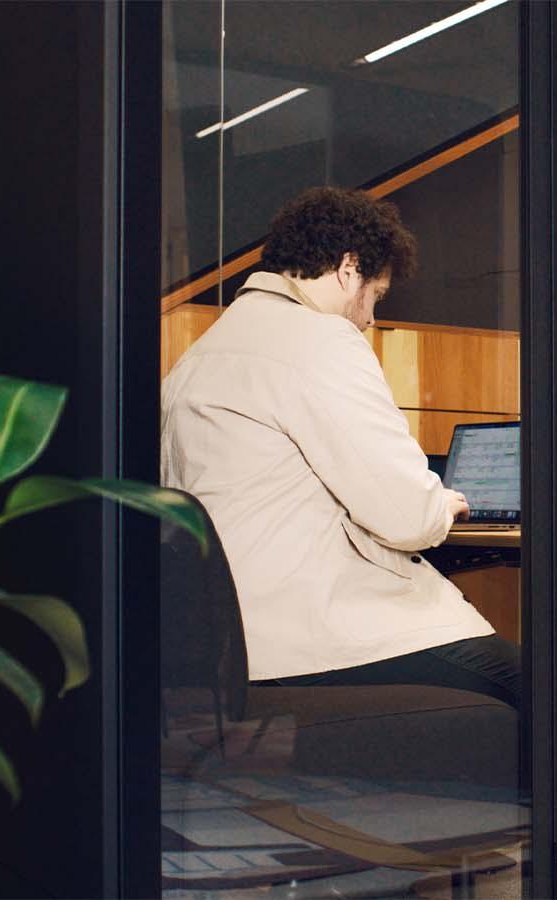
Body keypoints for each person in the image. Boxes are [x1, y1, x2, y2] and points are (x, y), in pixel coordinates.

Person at [160, 186, 519, 707]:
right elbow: (408, 518)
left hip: (218, 641)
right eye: (375, 295)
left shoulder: (201, 354)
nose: (370, 318)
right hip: (310, 637)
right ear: (349, 269)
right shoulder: (320, 340)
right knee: (535, 682)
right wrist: (441, 503)